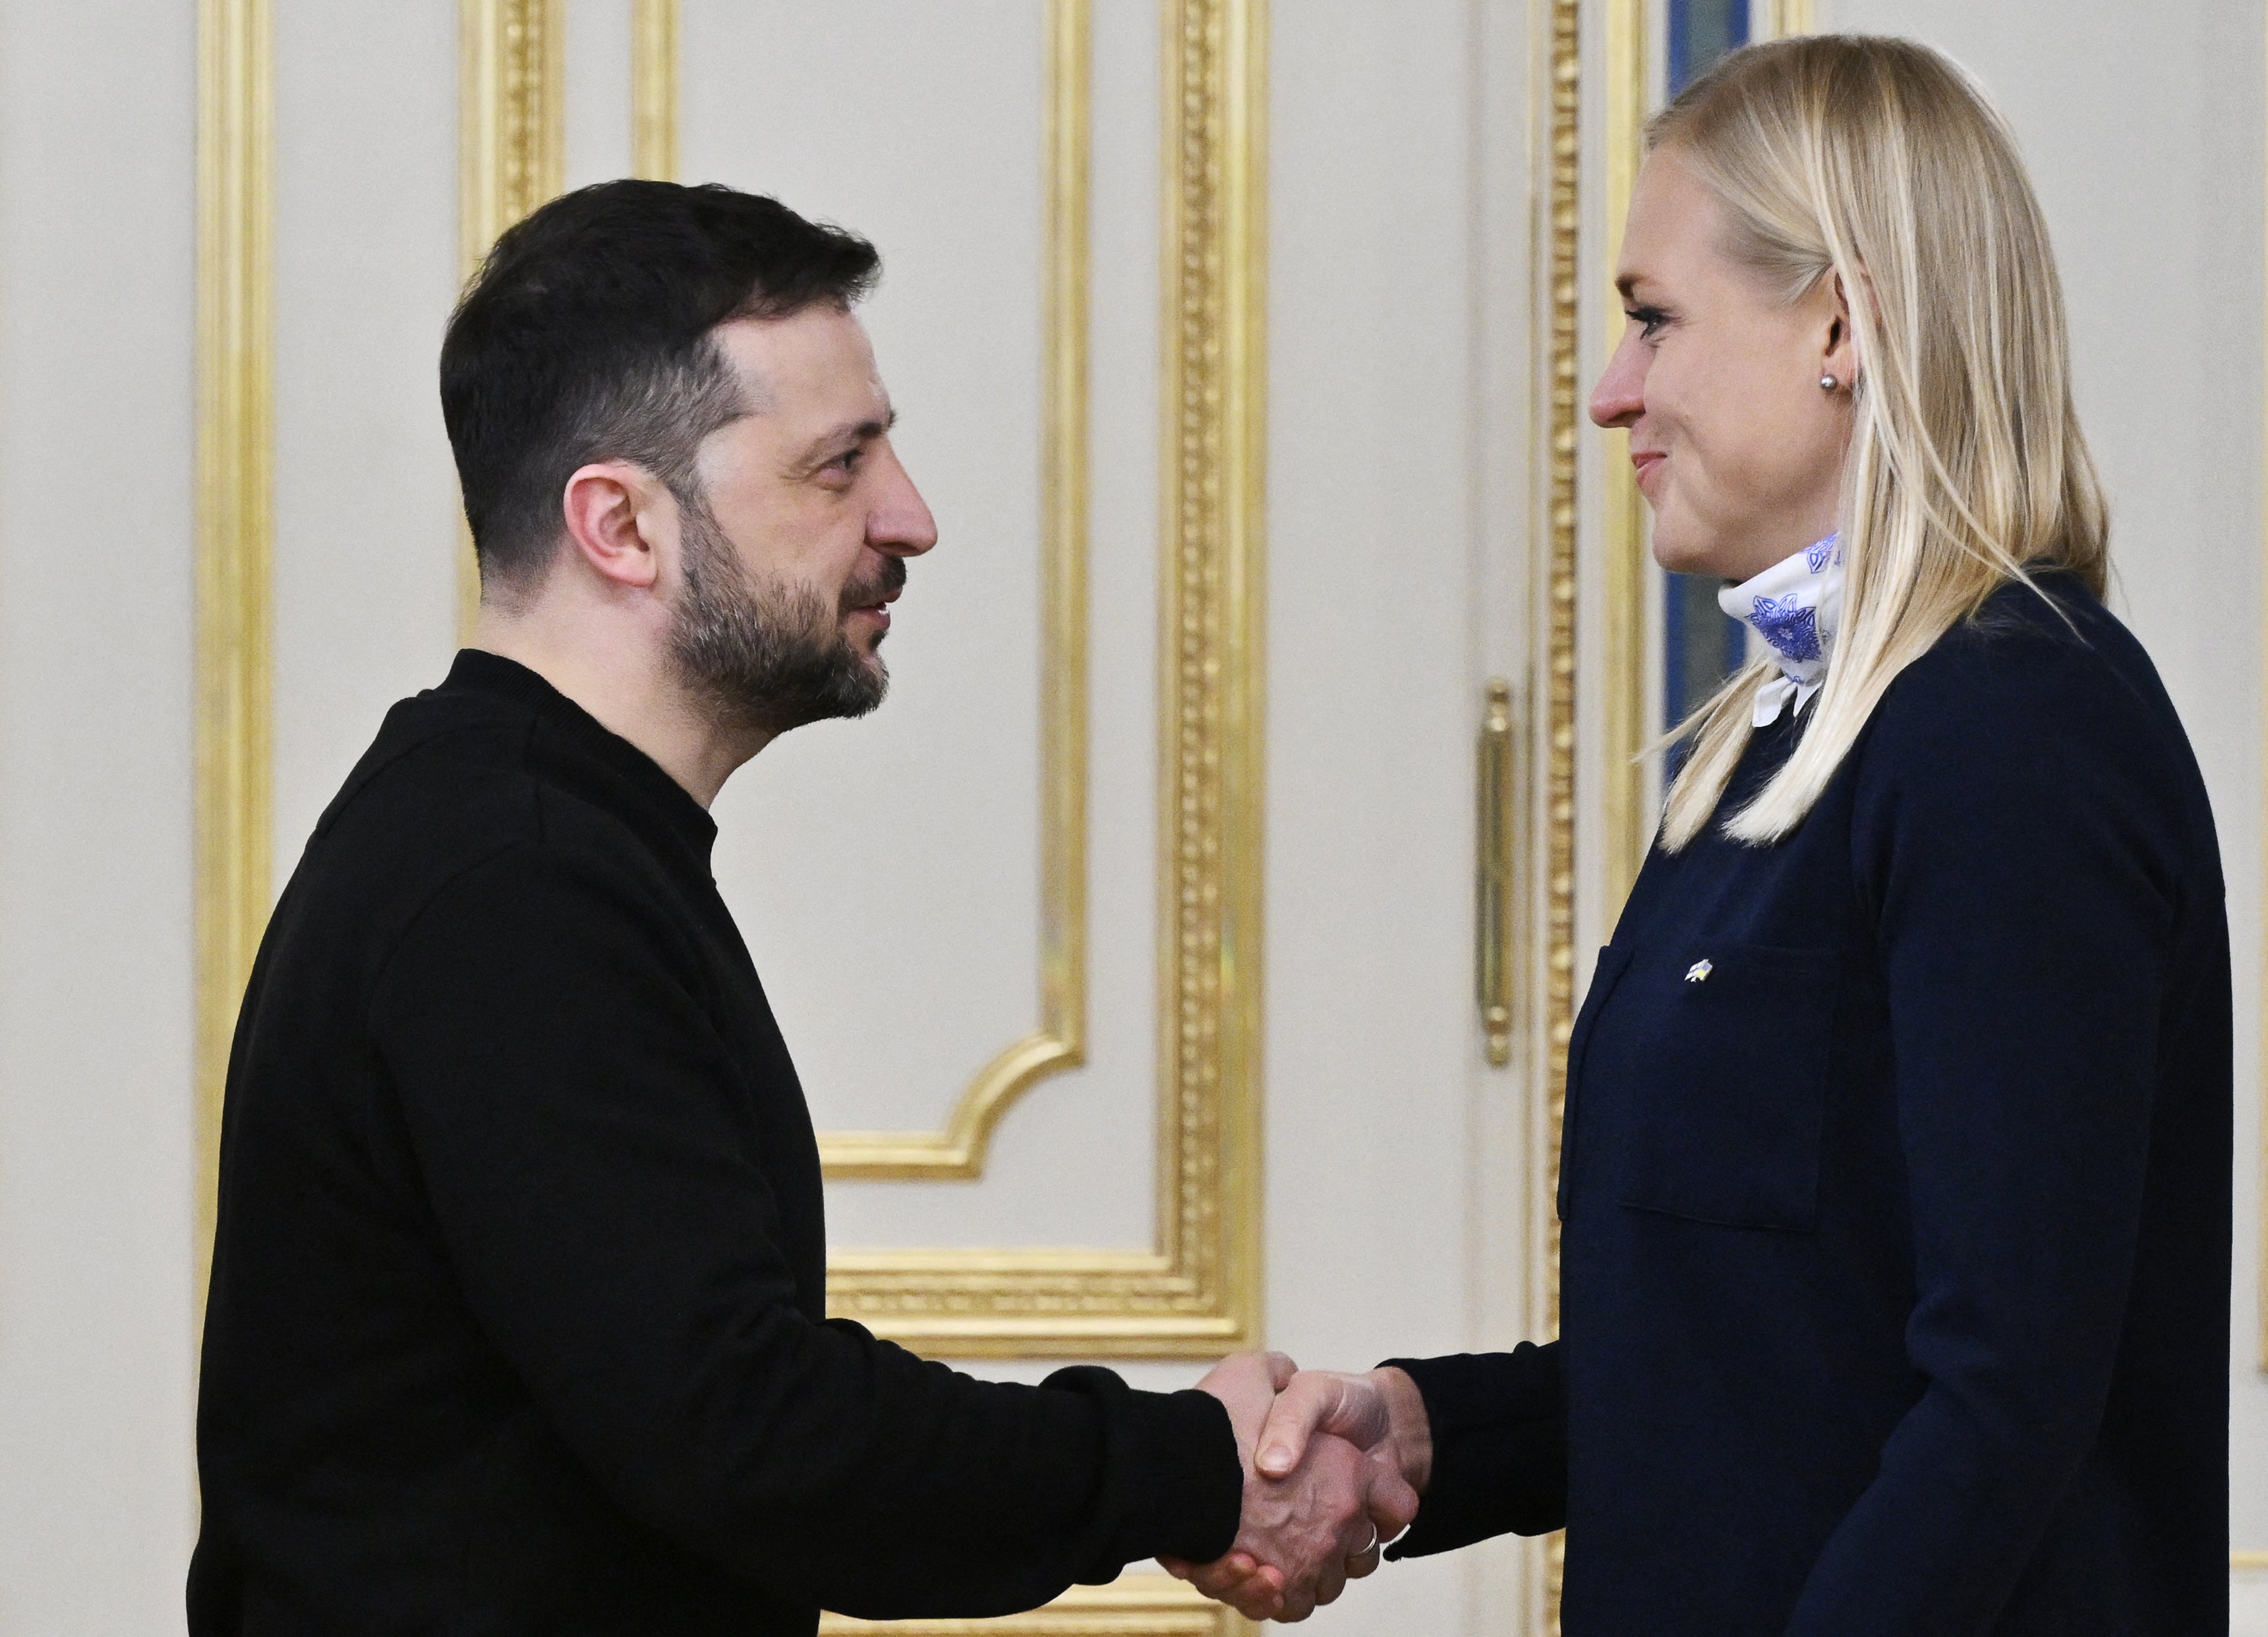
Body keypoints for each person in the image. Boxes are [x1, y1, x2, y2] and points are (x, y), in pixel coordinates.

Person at [189, 180, 1412, 1636]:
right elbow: (751, 1437)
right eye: (838, 466)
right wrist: (1188, 1470)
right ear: (622, 524)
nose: (913, 518)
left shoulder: (532, 839)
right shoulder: (512, 886)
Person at [1171, 34, 2230, 1634]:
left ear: (1840, 323)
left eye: (1651, 318)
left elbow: (2004, 1404)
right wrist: (1409, 1433)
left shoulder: (2018, 730)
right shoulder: (1780, 743)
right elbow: (1743, 1359)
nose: (1612, 393)